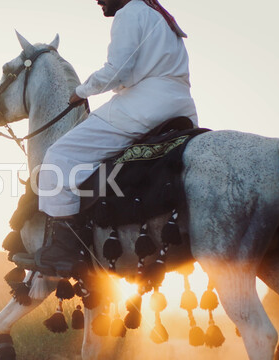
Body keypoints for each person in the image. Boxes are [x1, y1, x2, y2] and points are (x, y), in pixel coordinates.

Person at [35, 0, 198, 275]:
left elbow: (117, 70)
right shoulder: (161, 17)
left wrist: (81, 91)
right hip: (182, 108)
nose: (97, 0)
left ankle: (65, 248)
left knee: (57, 157)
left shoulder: (129, 12)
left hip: (142, 108)